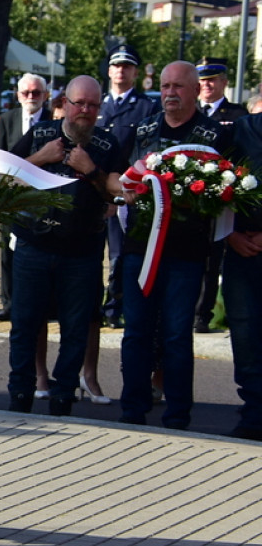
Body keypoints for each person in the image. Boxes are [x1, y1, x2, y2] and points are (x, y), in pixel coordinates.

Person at [7, 75, 125, 417]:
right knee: (25, 324)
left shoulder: (106, 144)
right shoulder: (41, 134)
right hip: (34, 245)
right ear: (64, 104)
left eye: (92, 105)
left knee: (75, 329)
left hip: (83, 252)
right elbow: (4, 177)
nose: (84, 111)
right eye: (78, 104)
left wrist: (91, 171)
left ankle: (62, 397)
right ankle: (20, 395)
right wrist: (42, 157)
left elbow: (117, 192)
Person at [119, 61, 228, 430]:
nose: (169, 93)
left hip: (186, 252)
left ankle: (178, 414)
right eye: (165, 86)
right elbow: (118, 177)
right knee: (136, 331)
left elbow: (226, 189)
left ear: (196, 90)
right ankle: (132, 409)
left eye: (178, 87)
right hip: (140, 250)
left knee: (177, 335)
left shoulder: (214, 135)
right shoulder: (144, 130)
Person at [97, 44, 160, 331]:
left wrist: (122, 191)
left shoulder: (147, 107)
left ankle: (114, 306)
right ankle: (93, 304)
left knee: (119, 254)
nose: (121, 71)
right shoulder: (97, 103)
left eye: (127, 66)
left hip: (127, 193)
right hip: (94, 190)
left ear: (135, 72)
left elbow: (145, 153)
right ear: (109, 71)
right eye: (116, 66)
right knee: (90, 252)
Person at [194, 57, 247, 333]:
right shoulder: (191, 112)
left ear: (224, 83)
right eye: (202, 80)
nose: (206, 85)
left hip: (217, 197)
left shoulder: (237, 116)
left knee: (212, 257)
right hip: (187, 198)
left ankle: (204, 313)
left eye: (212, 80)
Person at [0, 73, 49, 322]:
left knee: (40, 251)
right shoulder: (7, 120)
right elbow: (0, 157)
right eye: (26, 93)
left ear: (45, 96)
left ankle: (41, 304)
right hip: (12, 195)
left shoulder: (53, 121)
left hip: (44, 196)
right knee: (7, 250)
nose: (31, 97)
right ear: (18, 95)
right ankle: (9, 303)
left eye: (36, 93)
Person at [223, 113, 262, 441]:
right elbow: (215, 186)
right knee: (245, 332)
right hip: (240, 248)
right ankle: (253, 413)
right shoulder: (240, 130)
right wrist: (230, 234)